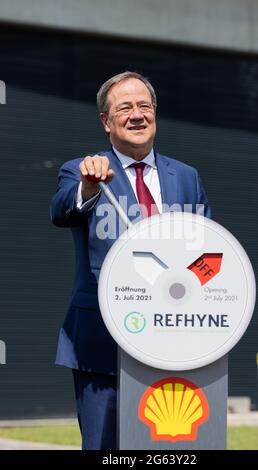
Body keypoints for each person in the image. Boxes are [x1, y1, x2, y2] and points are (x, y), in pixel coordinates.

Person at [50, 71, 211, 450]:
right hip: (101, 346)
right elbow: (61, 211)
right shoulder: (83, 170)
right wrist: (88, 187)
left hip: (174, 341)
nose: (137, 115)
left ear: (155, 113)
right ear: (106, 122)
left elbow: (208, 253)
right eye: (124, 108)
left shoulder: (187, 177)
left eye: (144, 106)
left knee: (171, 449)